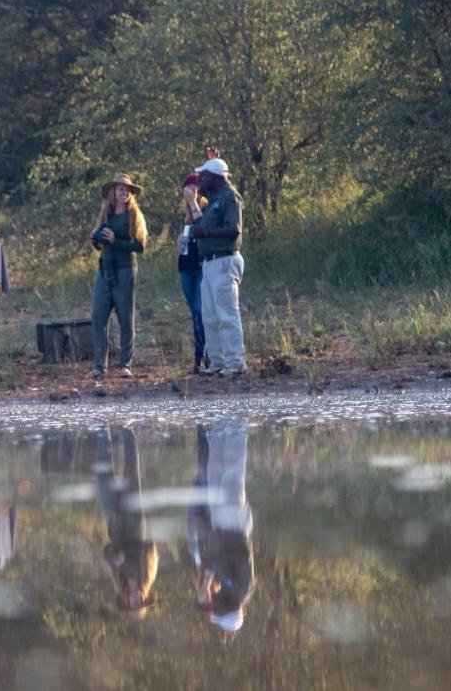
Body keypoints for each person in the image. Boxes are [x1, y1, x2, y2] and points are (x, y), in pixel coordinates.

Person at [186, 419, 254, 638]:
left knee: (214, 473)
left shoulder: (224, 587)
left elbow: (214, 558)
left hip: (219, 525)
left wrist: (207, 578)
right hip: (234, 524)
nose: (213, 606)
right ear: (229, 609)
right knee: (232, 473)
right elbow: (242, 555)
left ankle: (218, 427)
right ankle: (236, 428)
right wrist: (216, 564)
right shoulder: (242, 588)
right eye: (218, 611)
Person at [190, 158, 246, 377]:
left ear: (216, 177)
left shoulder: (230, 197)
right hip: (210, 262)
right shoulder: (213, 197)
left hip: (224, 260)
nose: (200, 179)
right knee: (210, 317)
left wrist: (204, 232)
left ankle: (235, 364)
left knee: (227, 315)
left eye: (204, 175)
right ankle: (217, 362)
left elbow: (234, 230)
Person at [95, 426, 158, 617]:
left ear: (127, 600)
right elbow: (150, 547)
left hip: (114, 522)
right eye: (141, 601)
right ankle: (127, 429)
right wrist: (127, 554)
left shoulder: (118, 579)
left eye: (134, 603)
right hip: (134, 521)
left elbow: (105, 551)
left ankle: (101, 429)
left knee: (103, 475)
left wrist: (113, 558)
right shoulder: (147, 575)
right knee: (131, 471)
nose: (138, 599)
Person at [89, 174, 148, 378]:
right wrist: (96, 240)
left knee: (125, 317)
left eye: (127, 190)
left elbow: (140, 246)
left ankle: (125, 363)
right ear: (113, 191)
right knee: (98, 317)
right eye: (121, 189)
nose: (124, 193)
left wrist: (116, 241)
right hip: (105, 269)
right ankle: (99, 365)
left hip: (125, 269)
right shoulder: (106, 213)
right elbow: (100, 243)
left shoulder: (134, 215)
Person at [178, 172, 207, 373]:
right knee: (194, 314)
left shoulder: (204, 207)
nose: (192, 192)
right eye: (189, 188)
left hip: (201, 267)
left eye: (195, 188)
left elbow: (204, 227)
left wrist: (194, 202)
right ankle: (198, 358)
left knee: (199, 310)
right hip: (186, 267)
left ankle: (205, 355)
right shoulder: (185, 214)